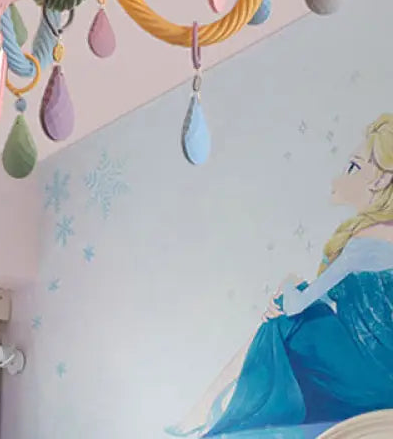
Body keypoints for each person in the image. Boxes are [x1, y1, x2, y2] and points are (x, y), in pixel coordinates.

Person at [168, 113, 393, 437]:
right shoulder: (373, 241)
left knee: (286, 318)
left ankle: (204, 412)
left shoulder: (364, 242)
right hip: (379, 375)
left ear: (382, 180)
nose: (341, 177)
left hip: (371, 383)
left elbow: (298, 304)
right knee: (298, 309)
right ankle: (203, 411)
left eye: (354, 167)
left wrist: (288, 284)